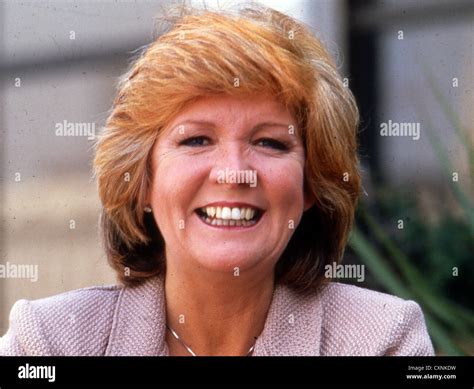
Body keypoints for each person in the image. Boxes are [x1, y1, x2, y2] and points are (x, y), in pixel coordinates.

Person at [0, 4, 434, 356]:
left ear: (308, 188)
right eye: (196, 140)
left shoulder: (381, 339)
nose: (234, 171)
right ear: (142, 181)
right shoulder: (49, 343)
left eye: (270, 143)